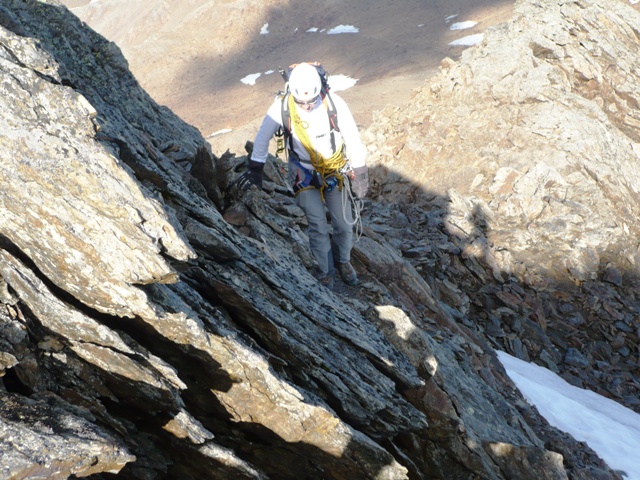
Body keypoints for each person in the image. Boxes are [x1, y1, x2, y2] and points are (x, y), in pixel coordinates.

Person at [237, 62, 369, 288]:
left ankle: (343, 261)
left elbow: (353, 139)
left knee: (344, 223)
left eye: (311, 101)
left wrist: (360, 174)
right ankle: (325, 269)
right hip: (303, 171)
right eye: (302, 102)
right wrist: (255, 168)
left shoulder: (334, 104)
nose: (307, 106)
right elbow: (262, 136)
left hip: (334, 169)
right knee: (317, 222)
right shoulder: (282, 106)